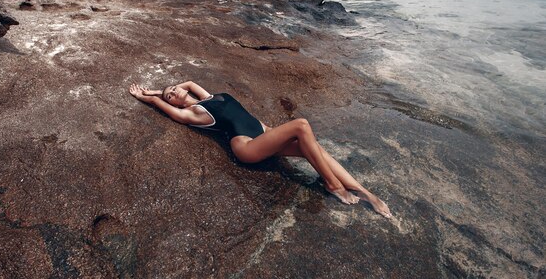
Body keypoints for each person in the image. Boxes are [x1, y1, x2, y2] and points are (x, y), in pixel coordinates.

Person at [129, 81, 392, 218]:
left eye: (173, 89)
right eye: (170, 96)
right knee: (301, 126)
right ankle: (333, 186)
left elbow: (187, 82)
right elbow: (164, 106)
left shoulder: (207, 96)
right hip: (247, 147)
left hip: (263, 134)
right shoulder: (193, 113)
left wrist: (159, 87)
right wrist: (149, 96)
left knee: (315, 149)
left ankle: (366, 192)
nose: (174, 93)